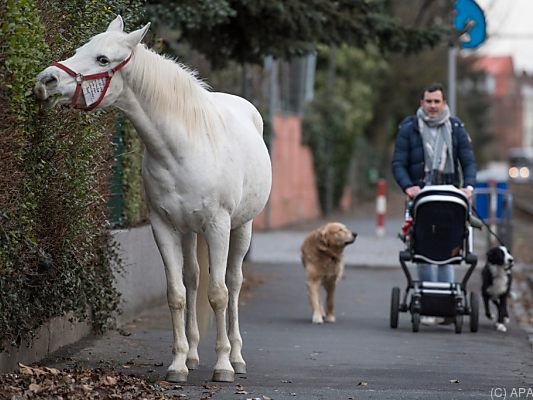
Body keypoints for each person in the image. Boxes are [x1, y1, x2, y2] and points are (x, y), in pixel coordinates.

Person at [392, 82, 477, 285]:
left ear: (444, 102)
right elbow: (398, 163)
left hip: (449, 195)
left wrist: (469, 187)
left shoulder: (456, 128)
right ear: (421, 102)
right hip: (422, 195)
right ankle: (428, 299)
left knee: (447, 248)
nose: (432, 105)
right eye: (428, 101)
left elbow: (468, 161)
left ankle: (445, 301)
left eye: (436, 101)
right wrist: (407, 187)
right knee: (424, 247)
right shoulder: (409, 128)